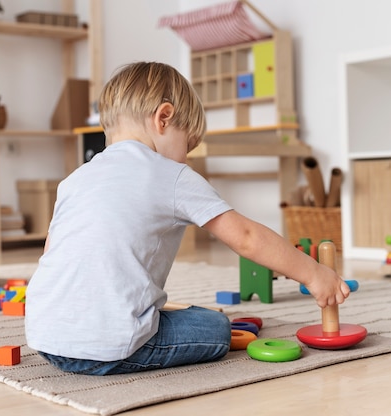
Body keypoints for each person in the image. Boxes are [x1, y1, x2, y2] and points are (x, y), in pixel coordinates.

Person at [25, 61, 350, 376]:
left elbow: (51, 253)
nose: (186, 156)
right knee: (215, 327)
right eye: (188, 145)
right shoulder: (172, 174)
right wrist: (313, 273)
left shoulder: (75, 179)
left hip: (46, 338)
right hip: (112, 346)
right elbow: (247, 238)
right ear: (163, 118)